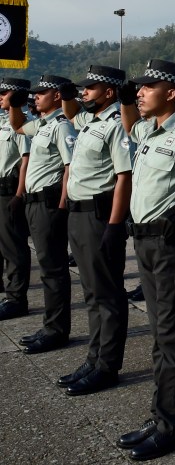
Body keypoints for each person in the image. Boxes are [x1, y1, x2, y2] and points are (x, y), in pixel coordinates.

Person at [115, 60, 175, 461]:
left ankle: (173, 425)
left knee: (173, 337)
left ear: (171, 92)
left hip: (173, 249)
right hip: (147, 245)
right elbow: (128, 124)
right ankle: (160, 415)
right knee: (160, 335)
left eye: (147, 86)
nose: (139, 92)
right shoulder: (150, 133)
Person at [59, 65, 133, 395]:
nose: (84, 91)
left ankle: (107, 366)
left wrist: (116, 226)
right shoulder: (91, 123)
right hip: (78, 214)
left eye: (91, 87)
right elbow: (70, 109)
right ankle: (94, 357)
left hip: (98, 218)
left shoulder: (117, 125)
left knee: (107, 295)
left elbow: (124, 177)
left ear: (109, 92)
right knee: (91, 293)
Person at [7, 75, 77, 354]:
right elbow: (18, 125)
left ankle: (57, 329)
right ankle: (50, 324)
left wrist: (62, 206)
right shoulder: (43, 124)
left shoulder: (61, 127)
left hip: (50, 204)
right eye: (34, 93)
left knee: (53, 268)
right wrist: (15, 105)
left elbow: (68, 167)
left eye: (42, 92)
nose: (36, 97)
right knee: (47, 267)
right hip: (34, 202)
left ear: (57, 96)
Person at [0, 78, 31, 320]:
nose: (0, 96)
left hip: (10, 191)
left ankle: (16, 298)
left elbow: (25, 161)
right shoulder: (2, 122)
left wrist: (19, 195)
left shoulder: (22, 123)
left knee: (13, 247)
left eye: (5, 93)